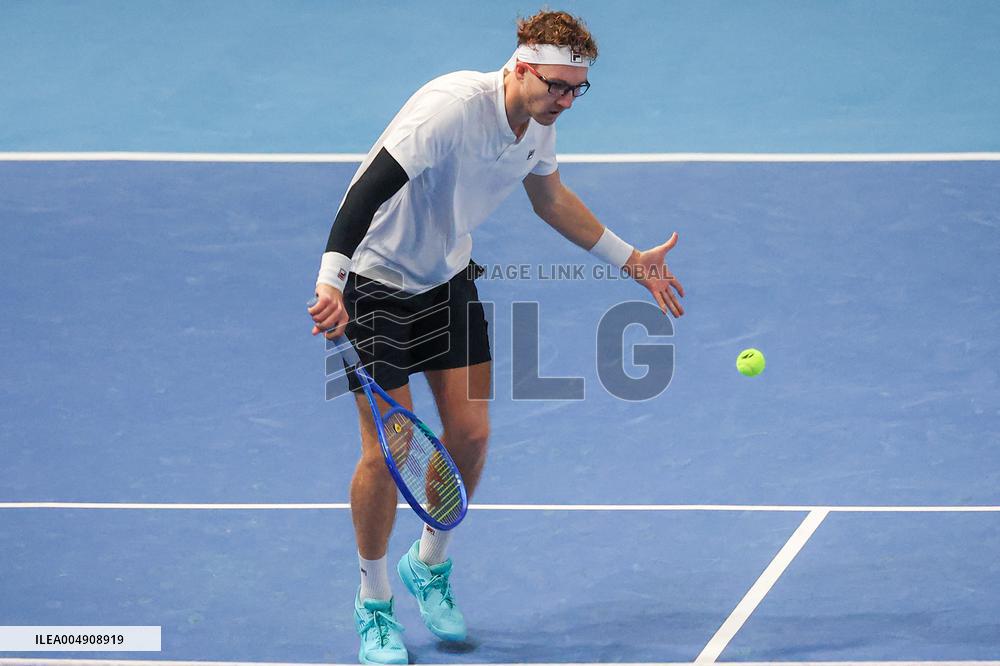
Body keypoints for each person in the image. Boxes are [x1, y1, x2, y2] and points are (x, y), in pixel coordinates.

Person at [308, 9, 685, 664]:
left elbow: (551, 200)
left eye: (576, 90)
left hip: (448, 282)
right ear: (519, 66)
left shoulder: (538, 126)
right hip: (372, 283)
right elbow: (365, 193)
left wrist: (631, 260)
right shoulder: (449, 109)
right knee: (389, 449)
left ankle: (428, 566)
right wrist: (331, 280)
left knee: (472, 434)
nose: (564, 101)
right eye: (555, 86)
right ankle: (373, 605)